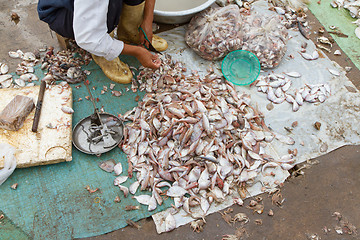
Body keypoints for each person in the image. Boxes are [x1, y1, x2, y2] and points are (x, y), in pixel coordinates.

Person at [37, 0, 168, 83]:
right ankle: (103, 55)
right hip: (60, 9)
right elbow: (88, 38)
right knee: (111, 7)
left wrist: (147, 20)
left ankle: (130, 31)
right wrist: (137, 51)